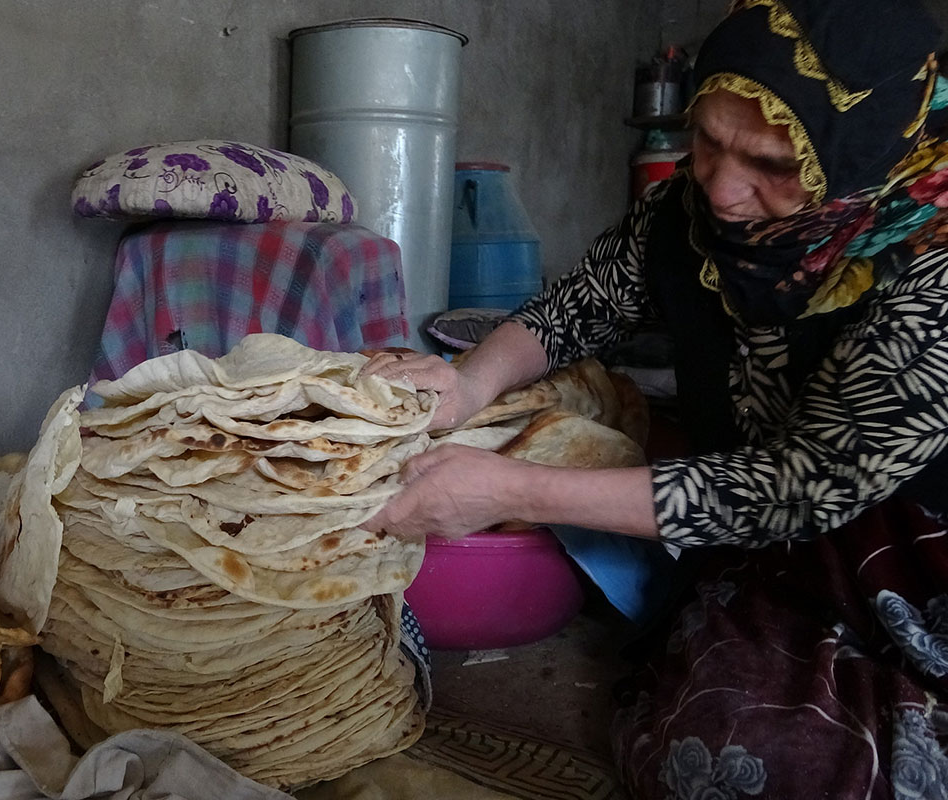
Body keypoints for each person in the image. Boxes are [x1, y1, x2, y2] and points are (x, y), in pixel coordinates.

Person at [363, 1, 948, 797]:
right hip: (771, 558)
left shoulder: (931, 269)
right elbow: (577, 306)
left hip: (912, 552)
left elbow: (799, 485)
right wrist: (468, 386)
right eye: (708, 141)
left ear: (862, 160)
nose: (724, 190)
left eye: (773, 166)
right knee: (731, 761)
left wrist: (512, 490)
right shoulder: (683, 218)